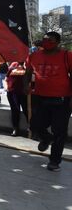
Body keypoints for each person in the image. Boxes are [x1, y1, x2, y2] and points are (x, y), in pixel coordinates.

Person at [25, 32, 72, 172]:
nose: (46, 42)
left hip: (62, 100)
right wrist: (25, 84)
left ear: (58, 42)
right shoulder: (34, 55)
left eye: (50, 40)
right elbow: (28, 71)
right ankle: (46, 138)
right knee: (35, 125)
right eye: (44, 39)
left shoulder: (66, 56)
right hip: (40, 97)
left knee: (60, 131)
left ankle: (54, 161)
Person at [5, 62, 28, 137]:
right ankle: (15, 129)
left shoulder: (28, 64)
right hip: (12, 92)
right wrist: (7, 87)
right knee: (15, 111)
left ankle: (33, 129)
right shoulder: (13, 64)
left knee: (27, 111)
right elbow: (7, 77)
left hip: (24, 93)